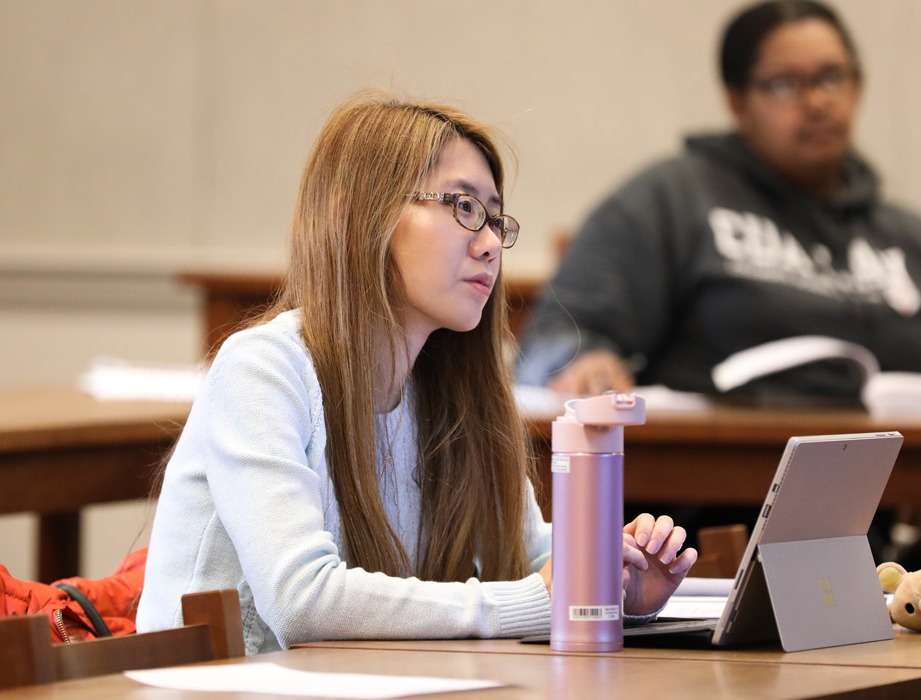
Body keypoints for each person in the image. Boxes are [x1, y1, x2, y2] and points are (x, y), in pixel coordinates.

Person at [136, 93, 697, 653]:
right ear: (355, 214)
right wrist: (540, 598)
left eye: (496, 219)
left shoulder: (457, 392)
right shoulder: (263, 368)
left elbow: (537, 559)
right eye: (464, 208)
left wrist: (614, 583)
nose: (489, 246)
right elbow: (300, 600)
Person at [518, 0, 921, 399]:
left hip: (880, 503)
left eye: (832, 77)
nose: (816, 102)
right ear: (737, 102)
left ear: (859, 87)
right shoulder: (669, 201)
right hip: (702, 504)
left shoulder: (918, 244)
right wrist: (585, 363)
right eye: (785, 85)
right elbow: (557, 341)